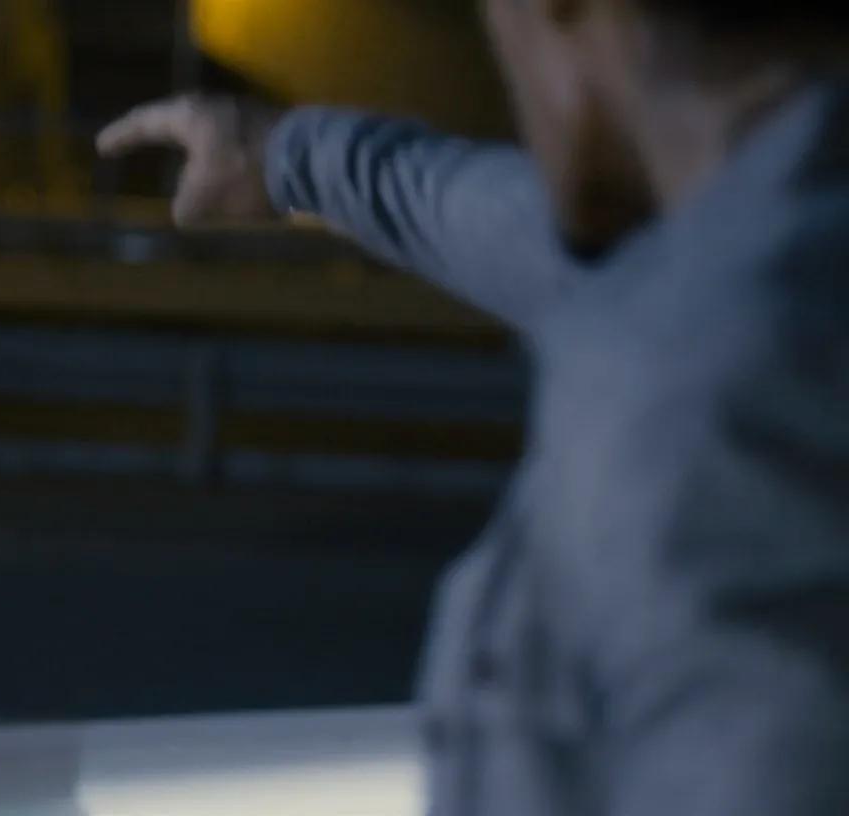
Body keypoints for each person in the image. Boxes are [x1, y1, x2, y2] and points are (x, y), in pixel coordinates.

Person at [100, 1, 849, 814]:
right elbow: (512, 224)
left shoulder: (709, 401)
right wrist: (283, 153)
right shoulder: (743, 244)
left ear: (566, 19)